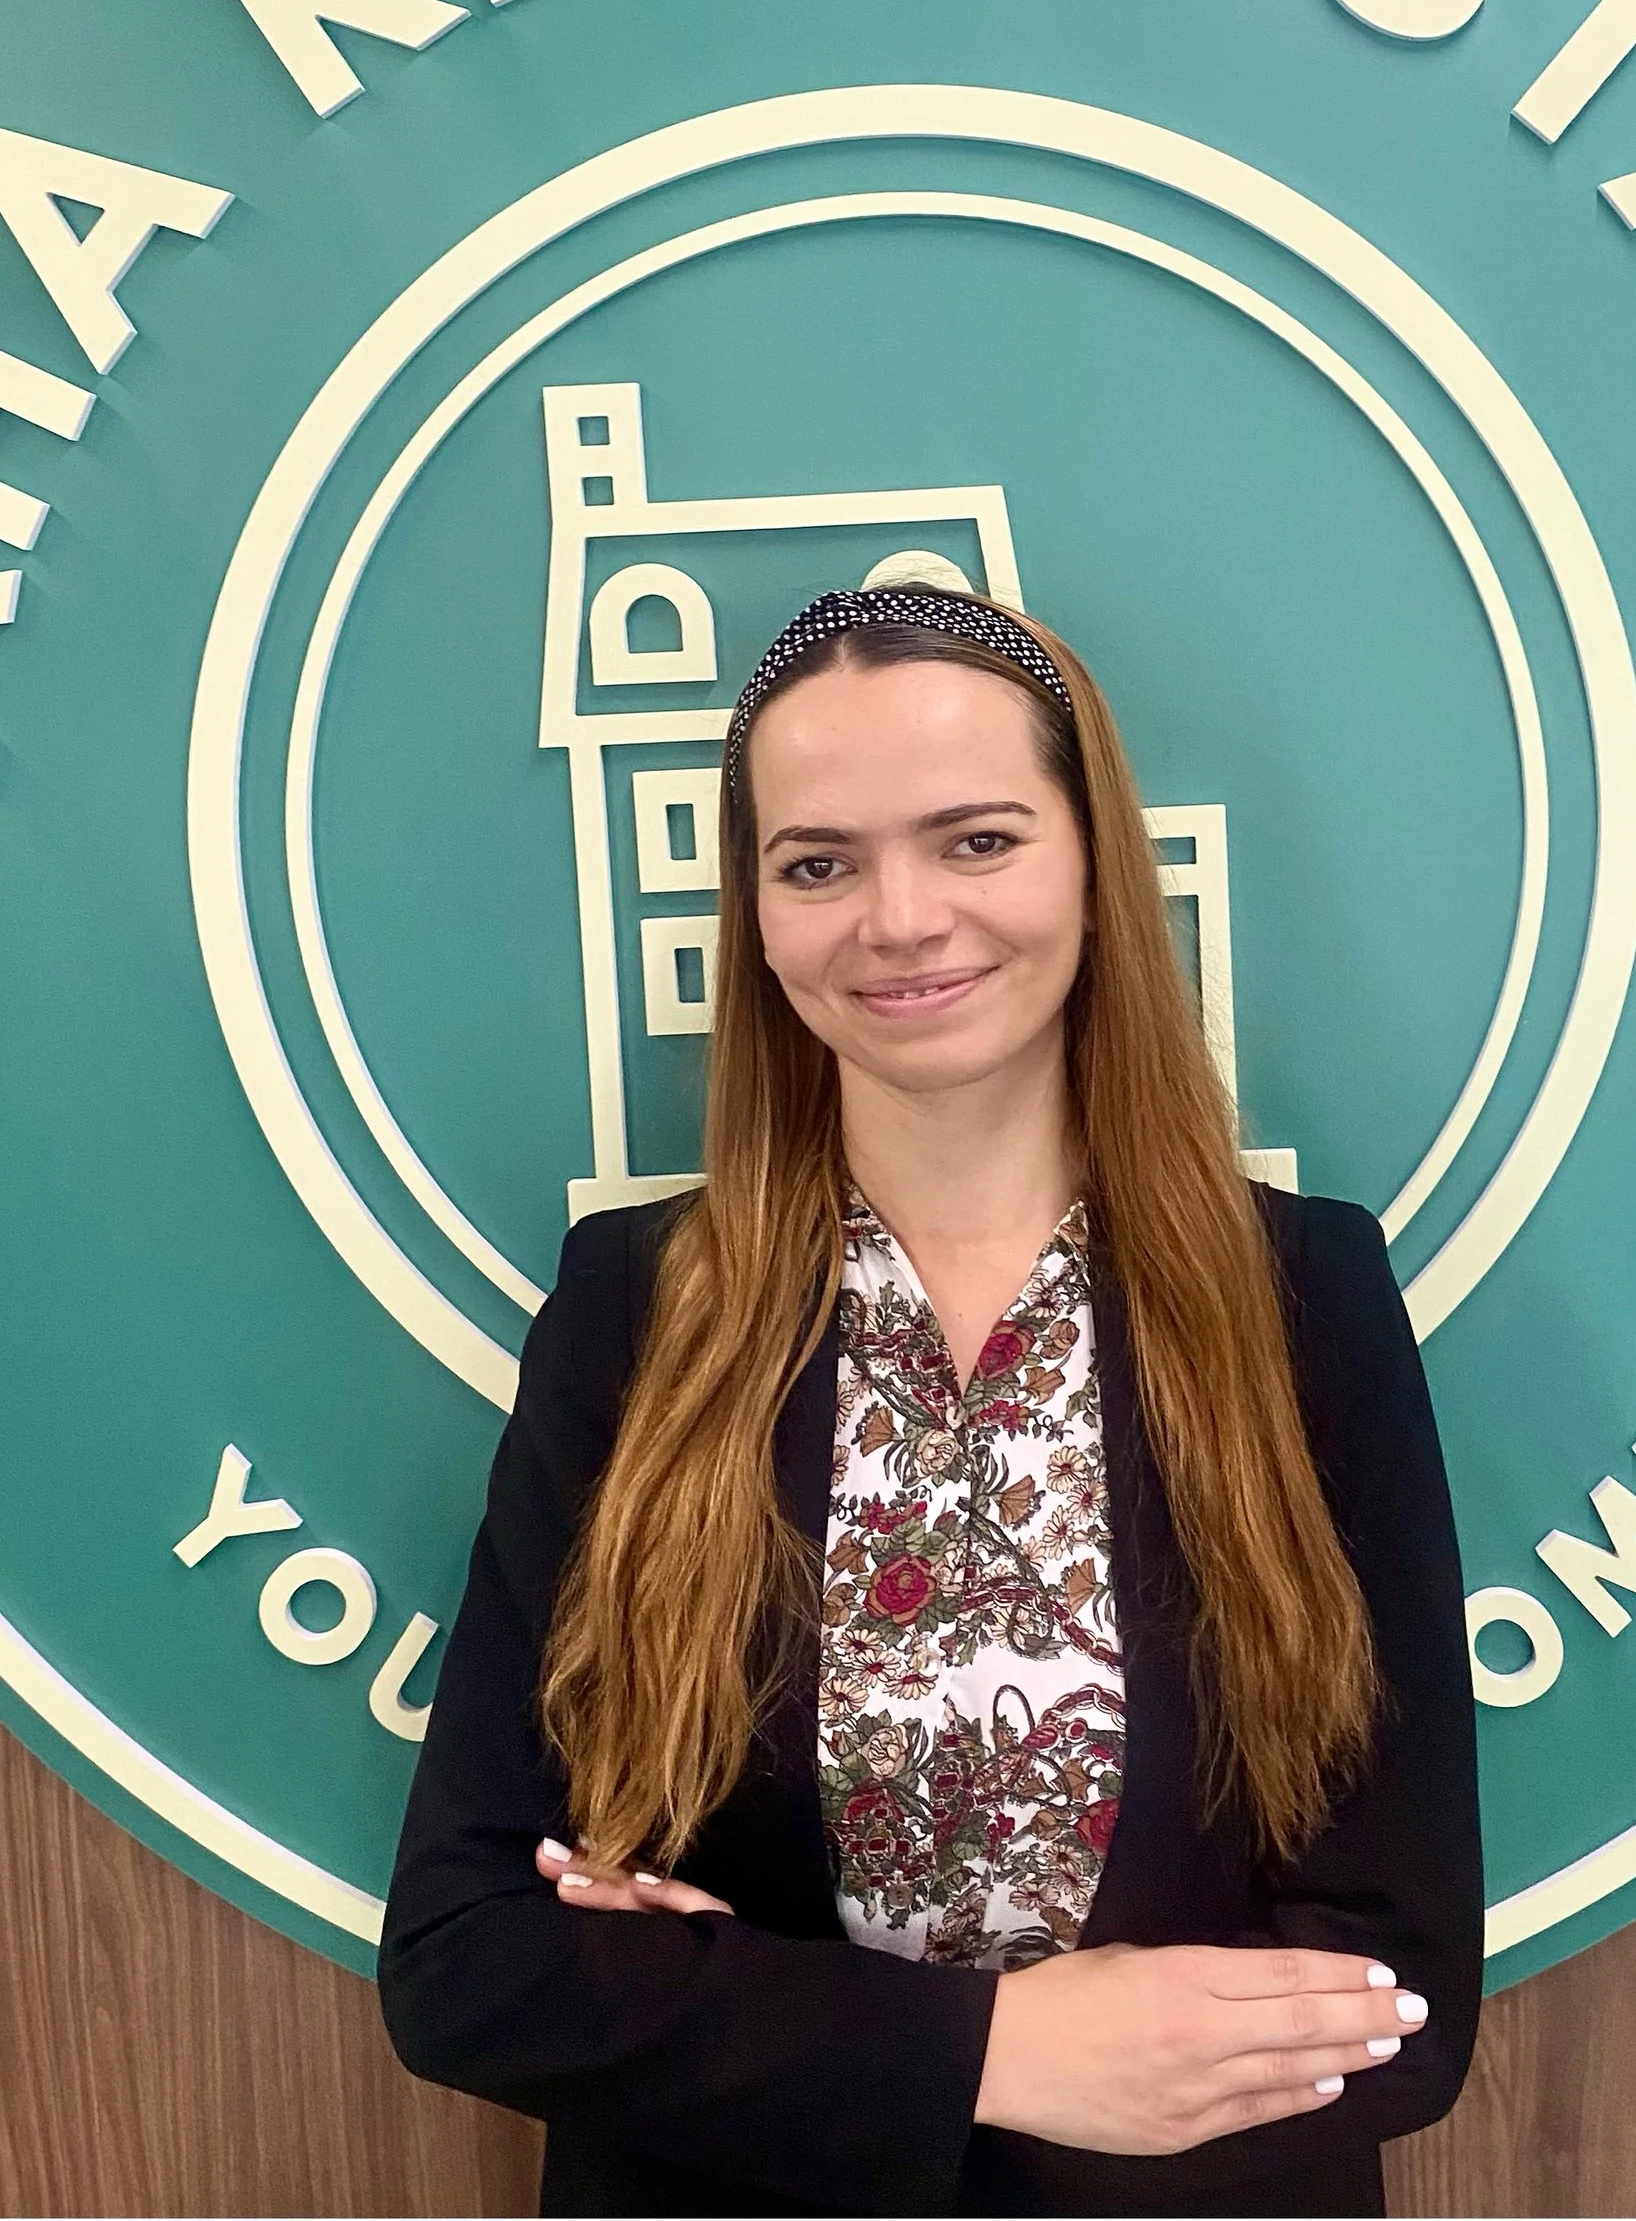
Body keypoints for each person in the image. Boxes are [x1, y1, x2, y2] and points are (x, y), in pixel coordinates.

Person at [381, 584, 1482, 2216]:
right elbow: (469, 1959)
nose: (897, 920)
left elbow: (1395, 2006)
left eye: (975, 840)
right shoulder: (635, 1313)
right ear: (754, 916)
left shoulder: (1305, 1303)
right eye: (817, 862)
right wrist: (999, 2050)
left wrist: (731, 2013)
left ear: (1095, 863)